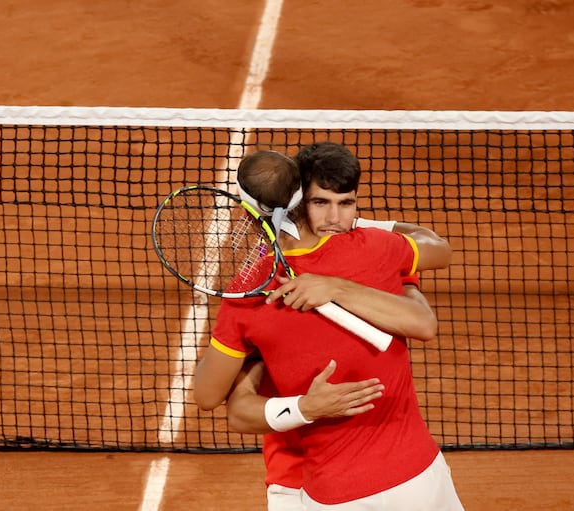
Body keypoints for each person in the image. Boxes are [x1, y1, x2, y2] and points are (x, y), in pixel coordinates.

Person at [194, 148, 464, 509]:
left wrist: (284, 384)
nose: (335, 218)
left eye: (346, 204)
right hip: (413, 480)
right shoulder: (376, 250)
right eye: (320, 203)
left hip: (335, 492)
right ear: (298, 202)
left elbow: (209, 397)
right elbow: (435, 265)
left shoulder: (247, 292)